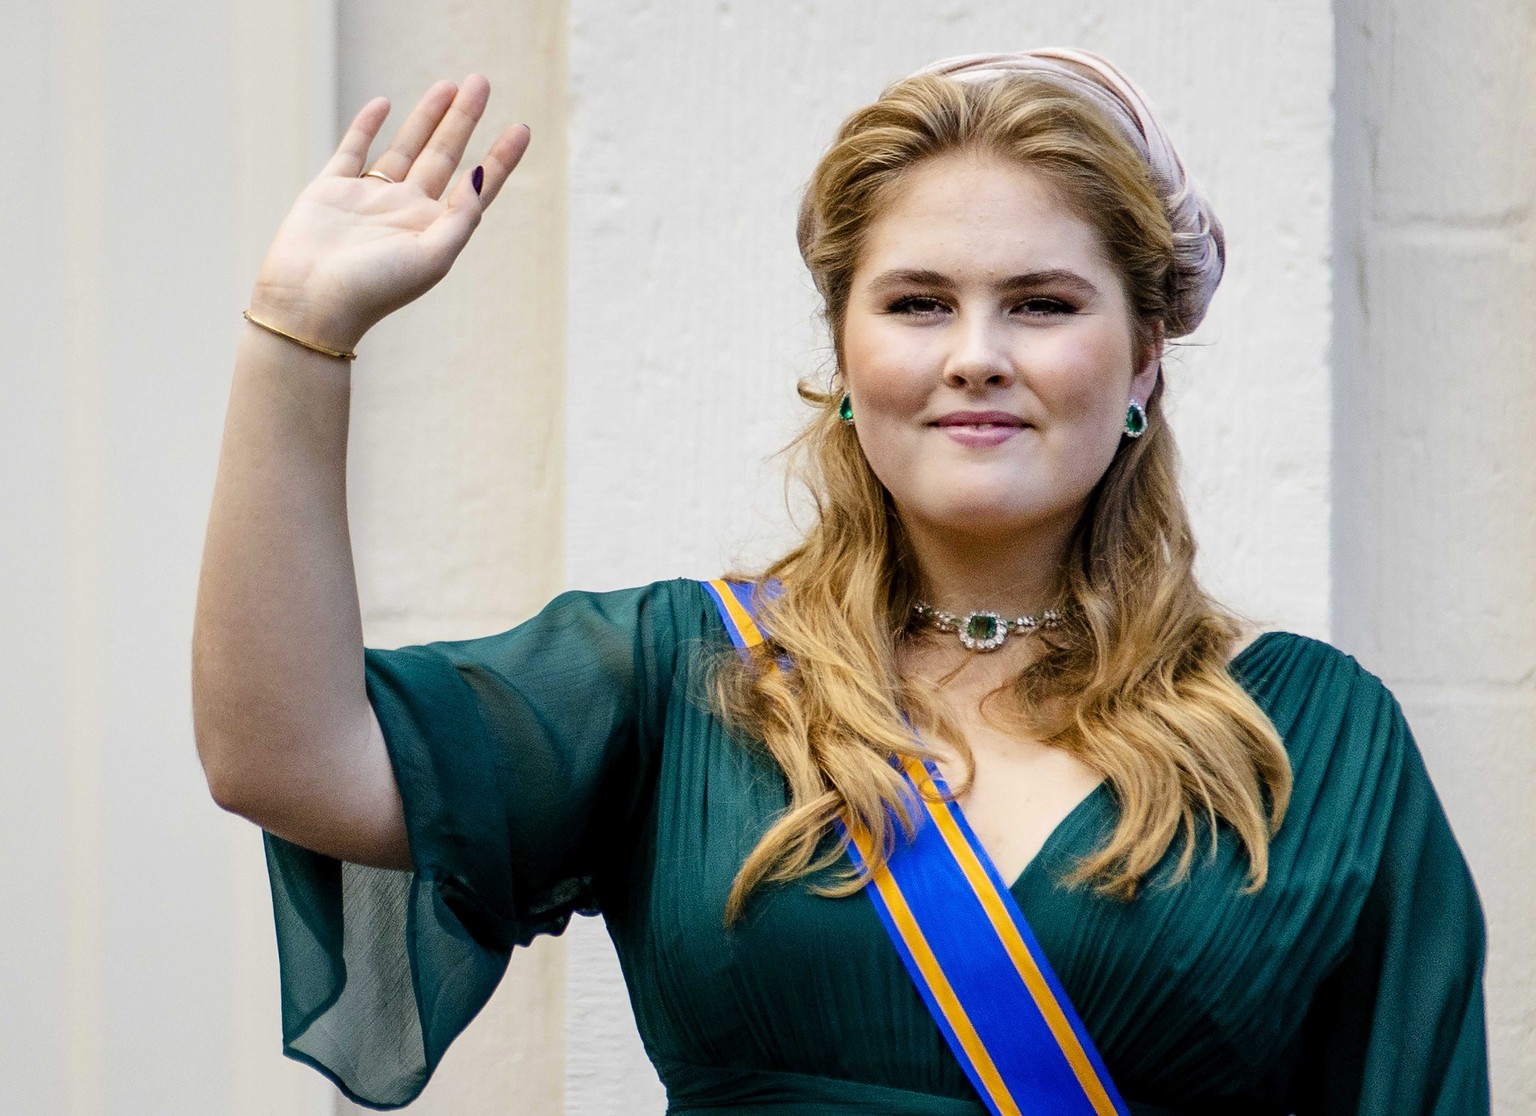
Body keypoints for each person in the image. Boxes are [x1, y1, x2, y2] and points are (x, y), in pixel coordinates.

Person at [192, 49, 1489, 1115]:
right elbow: (285, 755)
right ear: (847, 351)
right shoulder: (680, 675)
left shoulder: (1310, 739)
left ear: (1146, 356)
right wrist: (302, 335)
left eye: (1041, 303)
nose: (976, 355)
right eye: (918, 303)